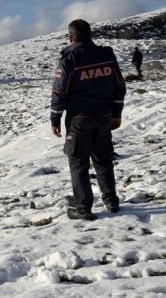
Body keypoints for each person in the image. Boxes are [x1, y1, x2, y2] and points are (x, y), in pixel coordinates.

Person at [50, 19, 126, 220]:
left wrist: (55, 119)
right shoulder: (106, 55)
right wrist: (117, 113)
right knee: (103, 160)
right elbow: (119, 85)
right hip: (103, 117)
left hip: (79, 120)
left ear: (70, 37)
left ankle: (83, 208)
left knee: (78, 163)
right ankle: (111, 201)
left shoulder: (68, 60)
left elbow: (59, 92)